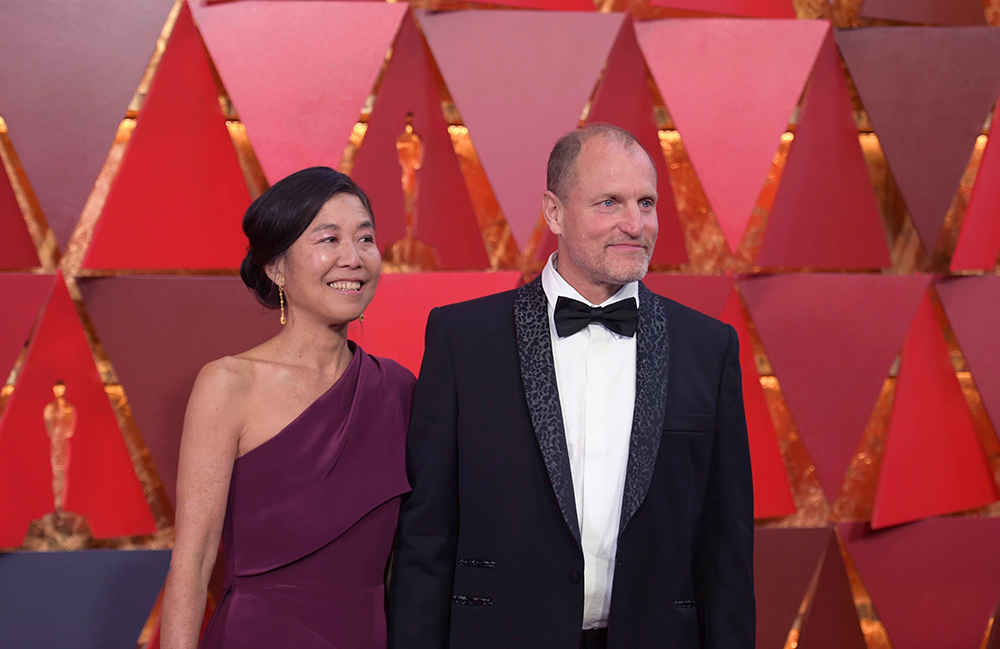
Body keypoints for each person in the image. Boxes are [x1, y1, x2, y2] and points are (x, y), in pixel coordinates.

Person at [388, 124, 754, 649]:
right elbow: (427, 535)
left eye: (646, 203)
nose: (635, 224)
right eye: (609, 202)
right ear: (554, 213)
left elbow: (727, 543)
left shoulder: (708, 346)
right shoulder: (464, 338)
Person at [161, 167, 415, 649]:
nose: (353, 258)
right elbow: (192, 561)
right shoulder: (228, 384)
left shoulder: (398, 389)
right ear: (276, 268)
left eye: (365, 239)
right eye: (329, 239)